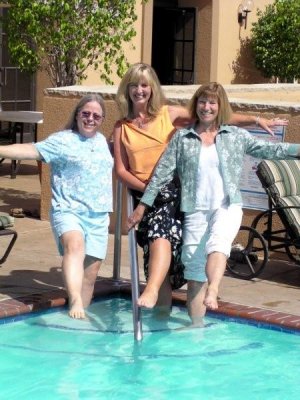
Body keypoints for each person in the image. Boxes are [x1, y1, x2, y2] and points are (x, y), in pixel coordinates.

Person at [113, 63, 288, 313]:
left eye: (144, 85)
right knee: (161, 259)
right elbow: (121, 170)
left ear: (152, 89)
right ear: (126, 89)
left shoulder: (168, 114)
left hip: (175, 195)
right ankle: (160, 318)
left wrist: (256, 119)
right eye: (134, 85)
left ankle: (160, 296)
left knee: (171, 246)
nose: (139, 90)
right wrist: (150, 189)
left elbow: (214, 116)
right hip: (148, 193)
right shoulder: (121, 127)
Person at [0, 94, 113, 319]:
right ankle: (76, 300)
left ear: (102, 119)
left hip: (98, 214)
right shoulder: (63, 140)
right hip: (68, 209)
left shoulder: (101, 141)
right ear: (77, 114)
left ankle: (79, 322)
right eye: (86, 113)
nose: (90, 119)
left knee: (90, 273)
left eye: (96, 116)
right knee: (75, 246)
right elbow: (30, 150)